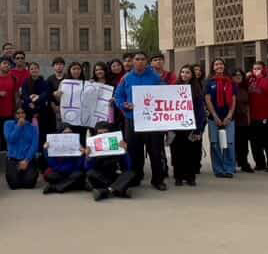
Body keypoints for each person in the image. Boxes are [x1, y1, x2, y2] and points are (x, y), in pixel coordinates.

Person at [113, 51, 167, 189]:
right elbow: (118, 96)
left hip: (151, 121)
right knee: (134, 151)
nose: (140, 61)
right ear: (132, 61)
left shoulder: (155, 77)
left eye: (143, 59)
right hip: (132, 119)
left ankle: (157, 180)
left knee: (155, 151)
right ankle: (135, 177)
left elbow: (164, 94)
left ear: (147, 61)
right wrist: (124, 105)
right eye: (137, 59)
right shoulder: (126, 78)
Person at [171, 66, 206, 186]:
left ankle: (190, 177)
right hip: (177, 126)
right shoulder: (173, 88)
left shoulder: (196, 89)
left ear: (192, 75)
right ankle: (178, 177)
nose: (184, 74)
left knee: (191, 152)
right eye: (182, 72)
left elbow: (200, 111)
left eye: (187, 72)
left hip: (191, 126)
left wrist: (199, 129)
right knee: (177, 152)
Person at [203, 59, 237, 178]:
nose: (219, 66)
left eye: (221, 64)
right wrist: (215, 116)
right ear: (213, 67)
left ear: (224, 66)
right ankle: (218, 169)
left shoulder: (231, 82)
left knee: (229, 143)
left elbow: (233, 100)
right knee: (215, 144)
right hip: (214, 119)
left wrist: (229, 116)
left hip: (229, 119)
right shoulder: (209, 82)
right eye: (216, 64)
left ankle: (229, 168)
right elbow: (208, 100)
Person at [86, 121, 135, 201]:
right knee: (90, 173)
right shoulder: (92, 145)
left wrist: (125, 152)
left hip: (114, 174)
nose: (103, 135)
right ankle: (119, 190)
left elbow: (128, 167)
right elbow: (88, 168)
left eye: (105, 132)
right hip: (100, 177)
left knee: (130, 173)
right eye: (100, 133)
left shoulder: (117, 143)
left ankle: (106, 191)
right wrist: (88, 157)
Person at [247, 62, 268, 173]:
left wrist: (260, 78)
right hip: (254, 117)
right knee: (255, 143)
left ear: (264, 69)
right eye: (254, 69)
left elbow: (267, 91)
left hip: (267, 116)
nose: (256, 71)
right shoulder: (251, 81)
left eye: (259, 68)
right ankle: (260, 163)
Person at [20, 62, 56, 161]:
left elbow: (46, 94)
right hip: (30, 113)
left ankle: (42, 156)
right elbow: (24, 95)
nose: (34, 70)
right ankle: (30, 156)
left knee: (42, 134)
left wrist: (37, 99)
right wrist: (30, 101)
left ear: (38, 70)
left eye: (36, 68)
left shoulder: (44, 82)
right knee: (31, 135)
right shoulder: (26, 82)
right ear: (29, 71)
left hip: (43, 113)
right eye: (32, 69)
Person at [42, 125, 88, 194]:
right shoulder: (53, 145)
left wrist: (82, 155)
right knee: (48, 175)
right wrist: (45, 150)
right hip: (59, 171)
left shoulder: (78, 145)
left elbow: (79, 166)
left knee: (79, 175)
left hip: (72, 172)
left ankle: (55, 187)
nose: (68, 135)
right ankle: (68, 184)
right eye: (65, 133)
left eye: (70, 133)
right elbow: (51, 163)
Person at [3, 107, 40, 189]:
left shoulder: (32, 127)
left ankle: (29, 172)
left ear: (26, 114)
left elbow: (34, 145)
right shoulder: (8, 124)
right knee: (14, 185)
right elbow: (10, 140)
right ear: (14, 114)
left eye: (22, 113)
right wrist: (18, 126)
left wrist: (26, 160)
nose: (20, 115)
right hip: (13, 159)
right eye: (18, 113)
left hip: (27, 159)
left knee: (29, 184)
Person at [231, 68, 254, 173]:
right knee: (233, 143)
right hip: (232, 119)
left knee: (244, 143)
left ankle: (244, 163)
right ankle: (233, 163)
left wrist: (249, 118)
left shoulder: (245, 88)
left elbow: (248, 105)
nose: (238, 76)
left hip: (243, 119)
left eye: (240, 75)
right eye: (235, 75)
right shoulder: (229, 88)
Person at [0, 58, 19, 142]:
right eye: (4, 63)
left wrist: (17, 110)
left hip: (9, 112)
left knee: (7, 135)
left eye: (8, 64)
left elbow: (16, 95)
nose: (7, 65)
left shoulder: (14, 78)